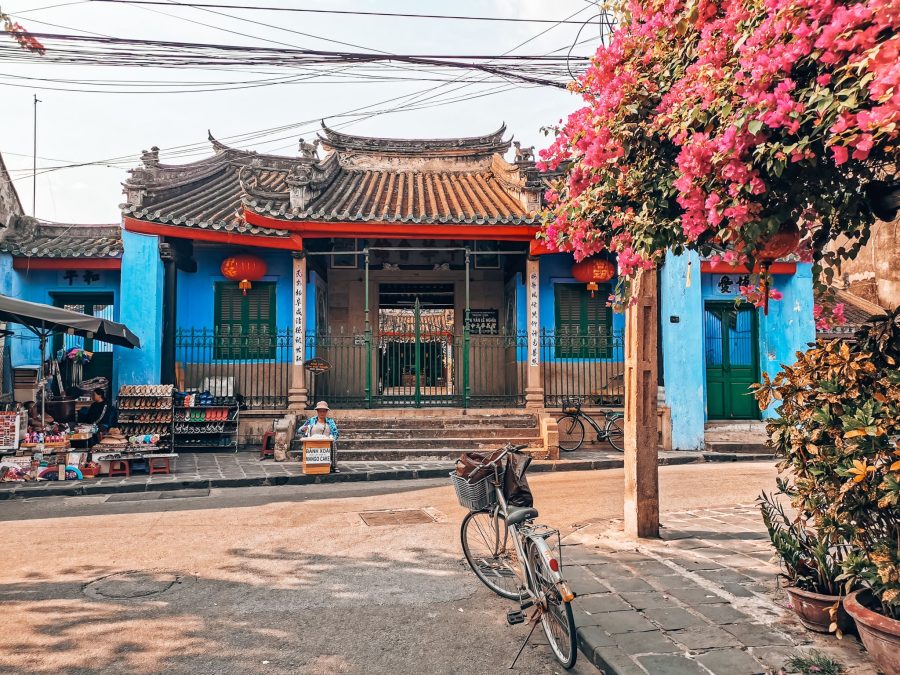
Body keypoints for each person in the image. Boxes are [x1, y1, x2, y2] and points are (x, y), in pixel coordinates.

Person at [297, 401, 340, 472]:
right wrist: (303, 429)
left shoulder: (330, 421)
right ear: (317, 411)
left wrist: (331, 438)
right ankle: (311, 466)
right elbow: (299, 431)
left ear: (326, 412)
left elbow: (336, 433)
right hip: (313, 443)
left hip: (326, 443)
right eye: (320, 411)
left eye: (324, 411)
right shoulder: (311, 420)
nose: (322, 413)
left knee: (334, 443)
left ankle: (334, 466)